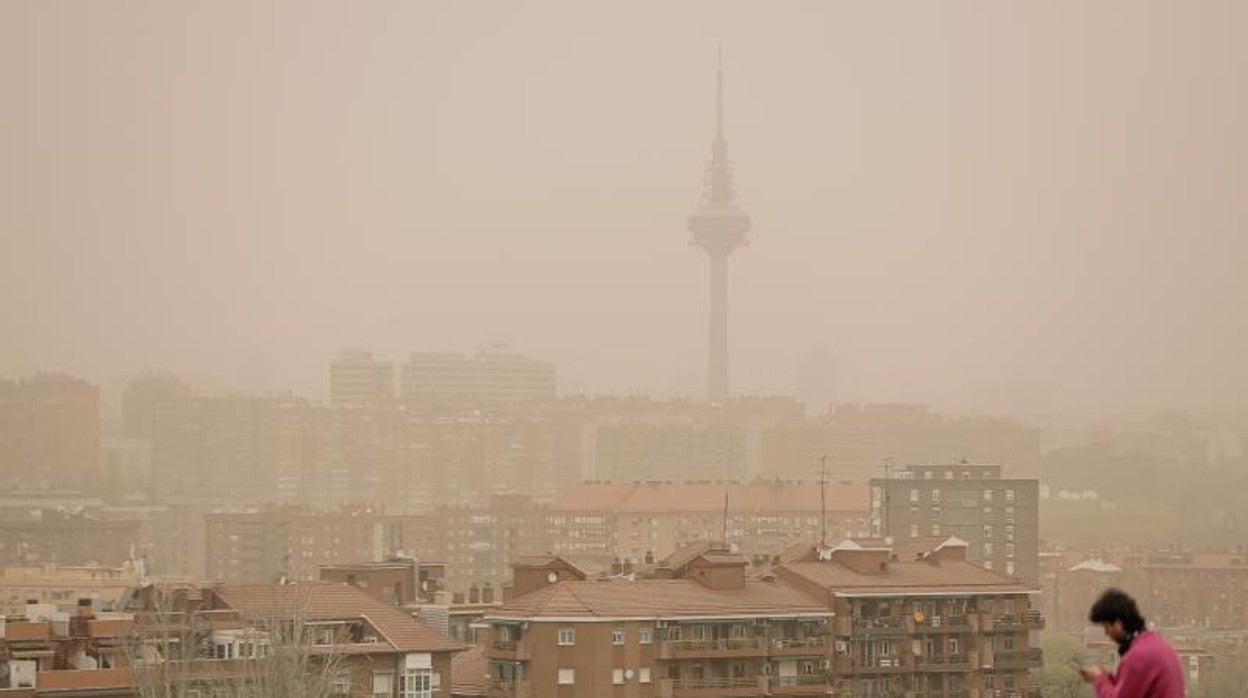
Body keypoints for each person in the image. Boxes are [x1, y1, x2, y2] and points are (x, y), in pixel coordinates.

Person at [1079, 588, 1185, 697]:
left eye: (1106, 627)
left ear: (1117, 623)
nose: (1106, 633)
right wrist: (1108, 678)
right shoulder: (1161, 646)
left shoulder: (1137, 657)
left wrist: (1099, 677)